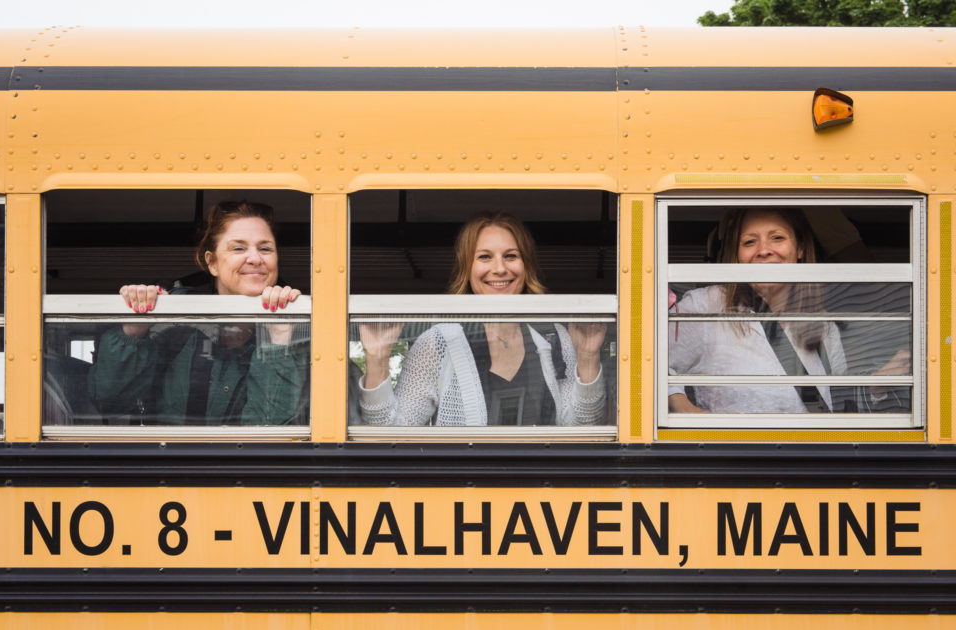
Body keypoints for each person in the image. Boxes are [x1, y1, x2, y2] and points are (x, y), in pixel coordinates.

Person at [357, 211, 607, 426]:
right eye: (484, 257)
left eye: (511, 256)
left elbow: (584, 425)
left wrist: (587, 356)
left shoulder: (555, 337)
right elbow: (391, 431)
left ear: (526, 265)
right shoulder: (438, 343)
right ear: (467, 268)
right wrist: (377, 359)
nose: (499, 269)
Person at [87, 200, 309, 426]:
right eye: (238, 248)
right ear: (212, 263)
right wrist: (134, 329)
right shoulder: (172, 320)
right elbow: (110, 403)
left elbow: (270, 430)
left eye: (265, 248)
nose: (255, 258)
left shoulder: (301, 327)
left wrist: (280, 340)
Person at [669, 208, 910, 414]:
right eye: (749, 242)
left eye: (777, 238)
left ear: (801, 249)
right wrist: (687, 411)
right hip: (733, 461)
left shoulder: (824, 327)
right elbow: (648, 363)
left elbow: (833, 405)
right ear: (737, 256)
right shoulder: (707, 306)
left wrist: (875, 386)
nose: (764, 250)